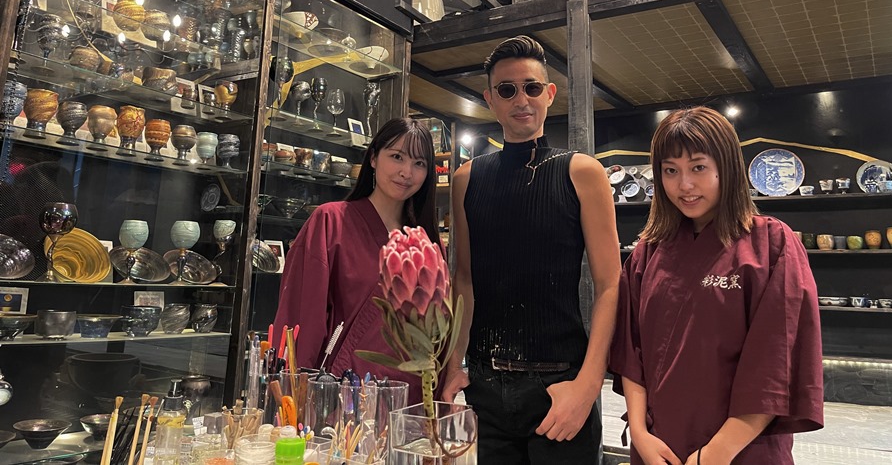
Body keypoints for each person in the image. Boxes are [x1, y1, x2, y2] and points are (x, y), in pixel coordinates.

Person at [441, 35, 621, 464]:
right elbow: (464, 281)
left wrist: (588, 386)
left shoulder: (582, 172)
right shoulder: (467, 179)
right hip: (484, 390)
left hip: (559, 387)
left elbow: (610, 285)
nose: (521, 99)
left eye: (532, 87)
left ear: (549, 93)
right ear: (490, 99)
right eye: (507, 90)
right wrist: (453, 364)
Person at [609, 106, 824, 465]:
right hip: (658, 447)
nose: (684, 185)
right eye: (670, 171)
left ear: (727, 167)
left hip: (742, 449)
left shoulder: (771, 244)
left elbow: (776, 362)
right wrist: (641, 434)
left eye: (698, 167)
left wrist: (716, 453)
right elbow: (630, 352)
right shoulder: (649, 252)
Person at [272, 117, 439, 403]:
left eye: (419, 163)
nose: (406, 172)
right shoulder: (330, 221)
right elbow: (301, 316)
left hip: (409, 400)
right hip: (341, 397)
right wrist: (293, 393)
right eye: (397, 157)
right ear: (373, 158)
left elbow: (436, 333)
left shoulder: (425, 244)